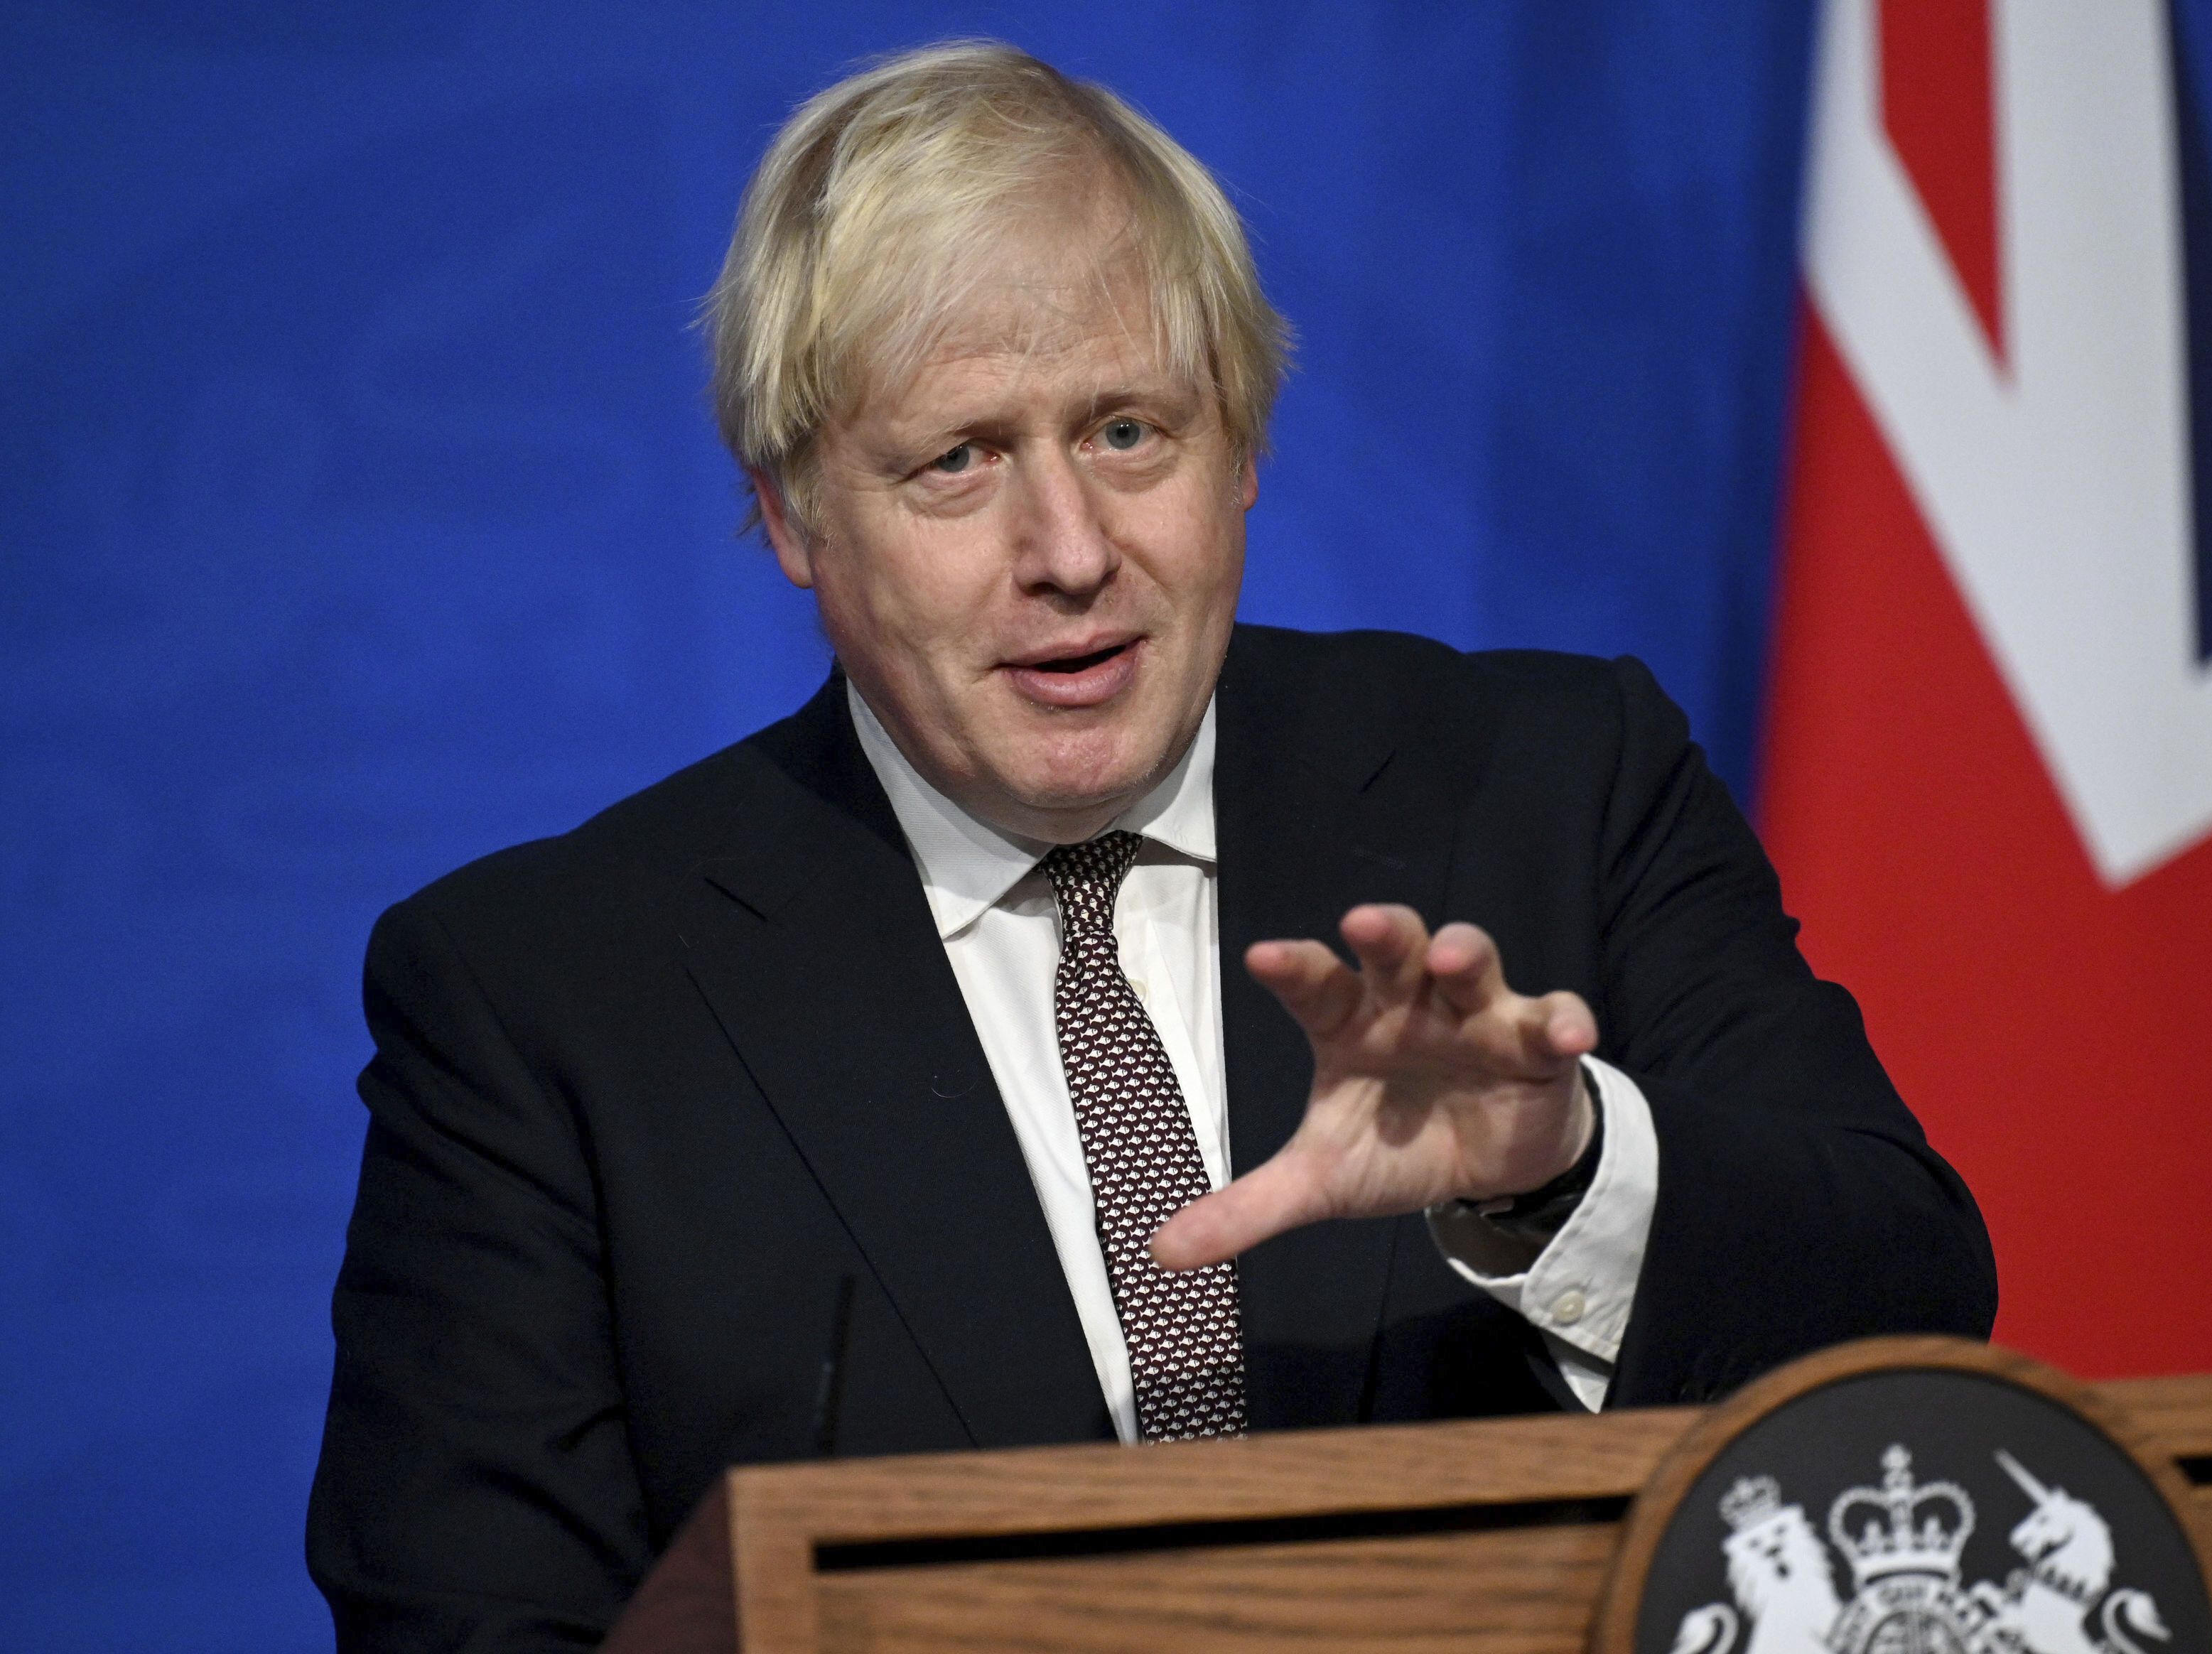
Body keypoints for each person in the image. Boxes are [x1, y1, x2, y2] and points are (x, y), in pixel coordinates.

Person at [306, 40, 1995, 1649]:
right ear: (791, 518)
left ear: (1243, 444)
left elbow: (1913, 1313)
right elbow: (469, 1620)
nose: (1069, 550)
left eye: (1127, 431)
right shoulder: (547, 1002)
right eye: (956, 462)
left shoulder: (1553, 781)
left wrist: (1563, 1168)